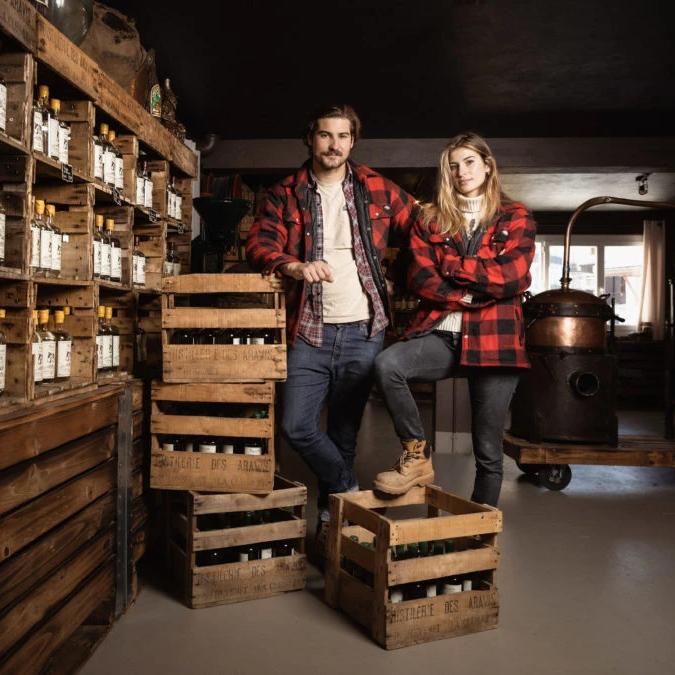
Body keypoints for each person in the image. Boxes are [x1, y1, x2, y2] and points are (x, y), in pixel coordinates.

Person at [245, 104, 419, 547]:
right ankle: (348, 491)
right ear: (311, 139)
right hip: (308, 328)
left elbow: (421, 227)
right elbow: (259, 244)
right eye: (325, 135)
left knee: (344, 432)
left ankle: (332, 524)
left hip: (364, 329)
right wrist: (293, 265)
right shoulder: (285, 191)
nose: (333, 145)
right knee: (297, 425)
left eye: (342, 136)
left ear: (352, 142)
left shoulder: (377, 187)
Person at [373, 132, 536, 506]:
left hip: (497, 340)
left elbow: (513, 276)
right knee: (387, 365)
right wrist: (467, 292)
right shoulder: (429, 217)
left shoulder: (517, 215)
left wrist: (450, 265)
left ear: (487, 165)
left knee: (488, 451)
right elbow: (418, 276)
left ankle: (477, 535)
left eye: (469, 162)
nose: (461, 172)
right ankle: (416, 455)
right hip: (442, 334)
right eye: (453, 166)